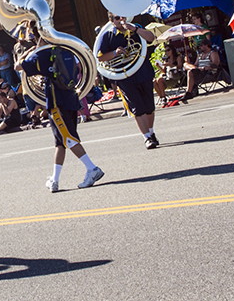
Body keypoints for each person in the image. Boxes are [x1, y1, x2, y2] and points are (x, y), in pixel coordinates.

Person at [18, 29, 105, 192]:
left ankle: (92, 168)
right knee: (60, 143)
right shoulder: (67, 50)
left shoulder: (41, 55)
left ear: (39, 40)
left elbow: (19, 66)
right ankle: (54, 179)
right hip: (71, 98)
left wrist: (31, 51)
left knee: (69, 139)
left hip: (57, 102)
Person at [96, 14, 162, 149]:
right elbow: (100, 57)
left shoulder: (135, 28)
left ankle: (151, 132)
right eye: (116, 18)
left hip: (143, 71)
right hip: (124, 76)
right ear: (111, 21)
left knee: (149, 106)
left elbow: (151, 38)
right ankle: (147, 138)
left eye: (122, 17)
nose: (120, 20)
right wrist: (115, 53)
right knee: (137, 108)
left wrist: (135, 30)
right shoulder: (107, 35)